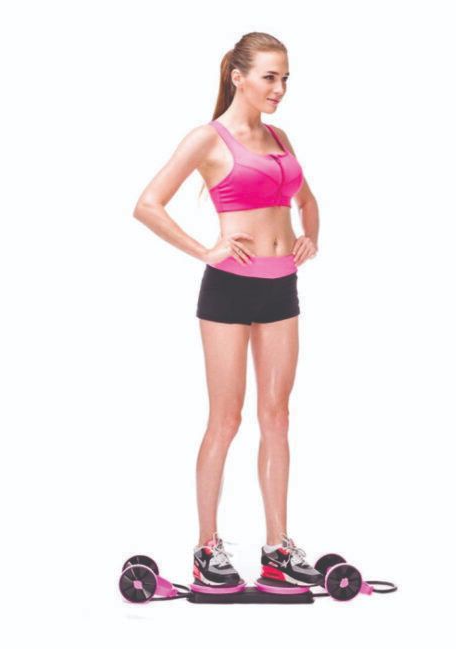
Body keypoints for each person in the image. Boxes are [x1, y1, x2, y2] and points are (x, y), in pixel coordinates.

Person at [133, 32, 321, 588]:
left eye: (285, 78)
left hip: (281, 288)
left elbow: (307, 200)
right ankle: (206, 547)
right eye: (269, 77)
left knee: (277, 417)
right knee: (226, 419)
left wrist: (309, 236)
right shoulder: (207, 139)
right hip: (229, 290)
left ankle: (278, 548)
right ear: (238, 77)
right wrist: (205, 250)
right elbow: (147, 204)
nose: (279, 88)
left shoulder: (280, 137)